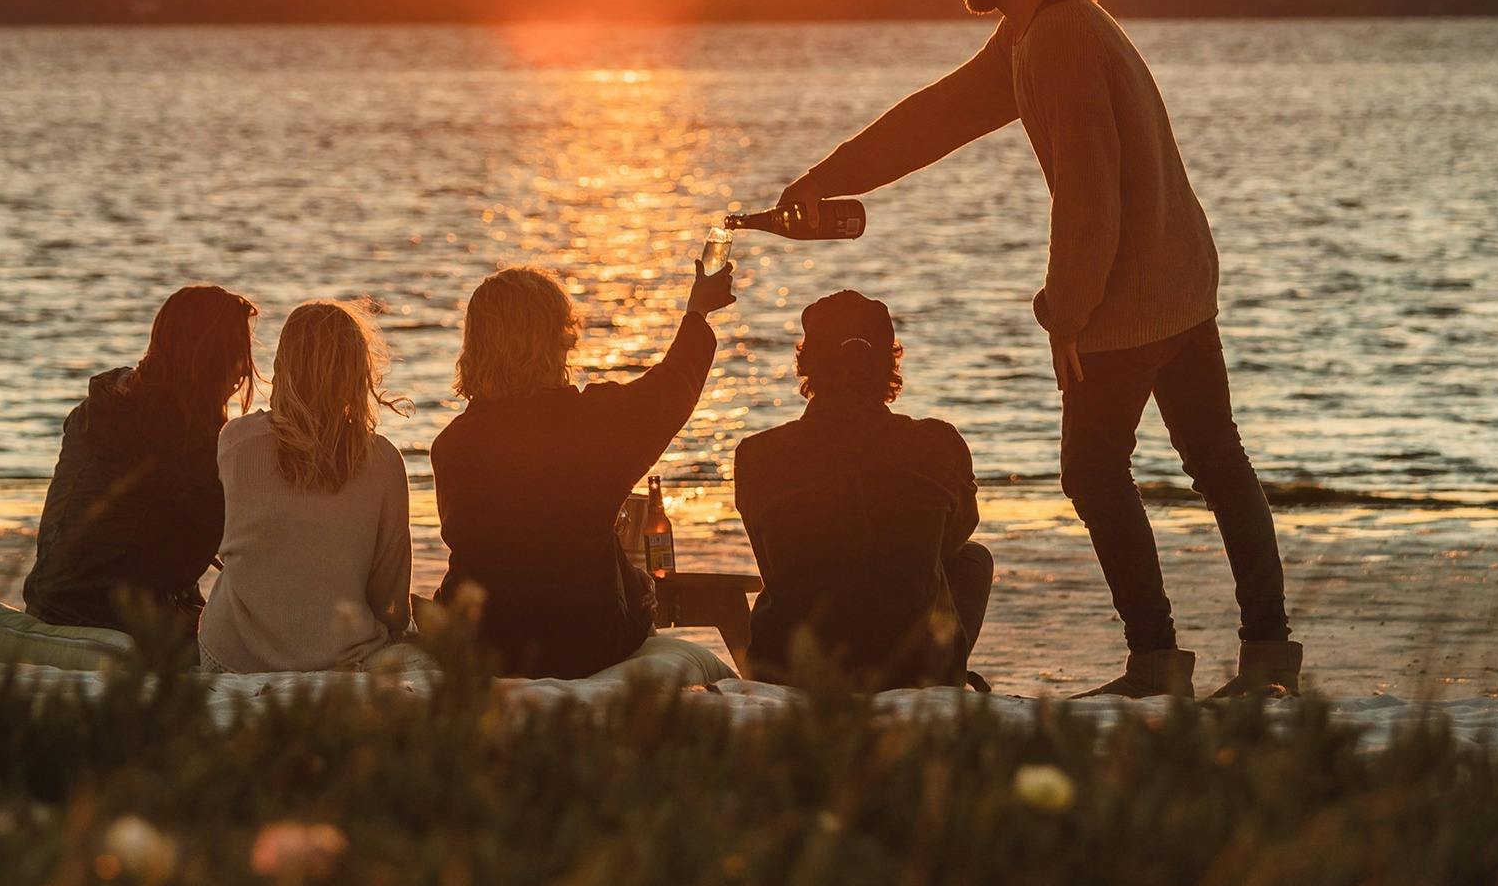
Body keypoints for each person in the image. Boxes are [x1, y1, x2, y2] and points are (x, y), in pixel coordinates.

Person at [775, 0, 1299, 699]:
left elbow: (1090, 196)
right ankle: (1268, 660)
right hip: (1182, 282)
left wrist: (1066, 313)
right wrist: (825, 179)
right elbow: (932, 120)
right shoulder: (1038, 33)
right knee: (1216, 460)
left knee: (1094, 473)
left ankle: (1157, 662)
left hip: (1128, 302)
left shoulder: (1059, 43)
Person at [431, 255, 736, 679]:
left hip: (485, 642)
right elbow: (673, 386)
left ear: (476, 346)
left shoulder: (452, 445)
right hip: (587, 641)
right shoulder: (594, 424)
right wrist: (697, 313)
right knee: (637, 585)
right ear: (558, 341)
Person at [734, 289, 993, 690]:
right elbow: (956, 533)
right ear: (889, 364)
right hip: (912, 670)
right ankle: (941, 676)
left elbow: (772, 563)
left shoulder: (756, 456)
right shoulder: (937, 444)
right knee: (971, 560)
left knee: (798, 572)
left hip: (787, 668)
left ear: (807, 364)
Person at [22, 283, 257, 640]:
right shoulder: (177, 431)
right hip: (108, 613)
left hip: (50, 599)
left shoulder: (104, 408)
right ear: (210, 359)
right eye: (237, 355)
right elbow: (236, 528)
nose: (242, 373)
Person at [199, 300, 417, 673]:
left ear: (283, 366)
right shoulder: (383, 460)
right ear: (357, 372)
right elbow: (390, 600)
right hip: (342, 659)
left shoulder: (235, 441)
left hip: (231, 656)